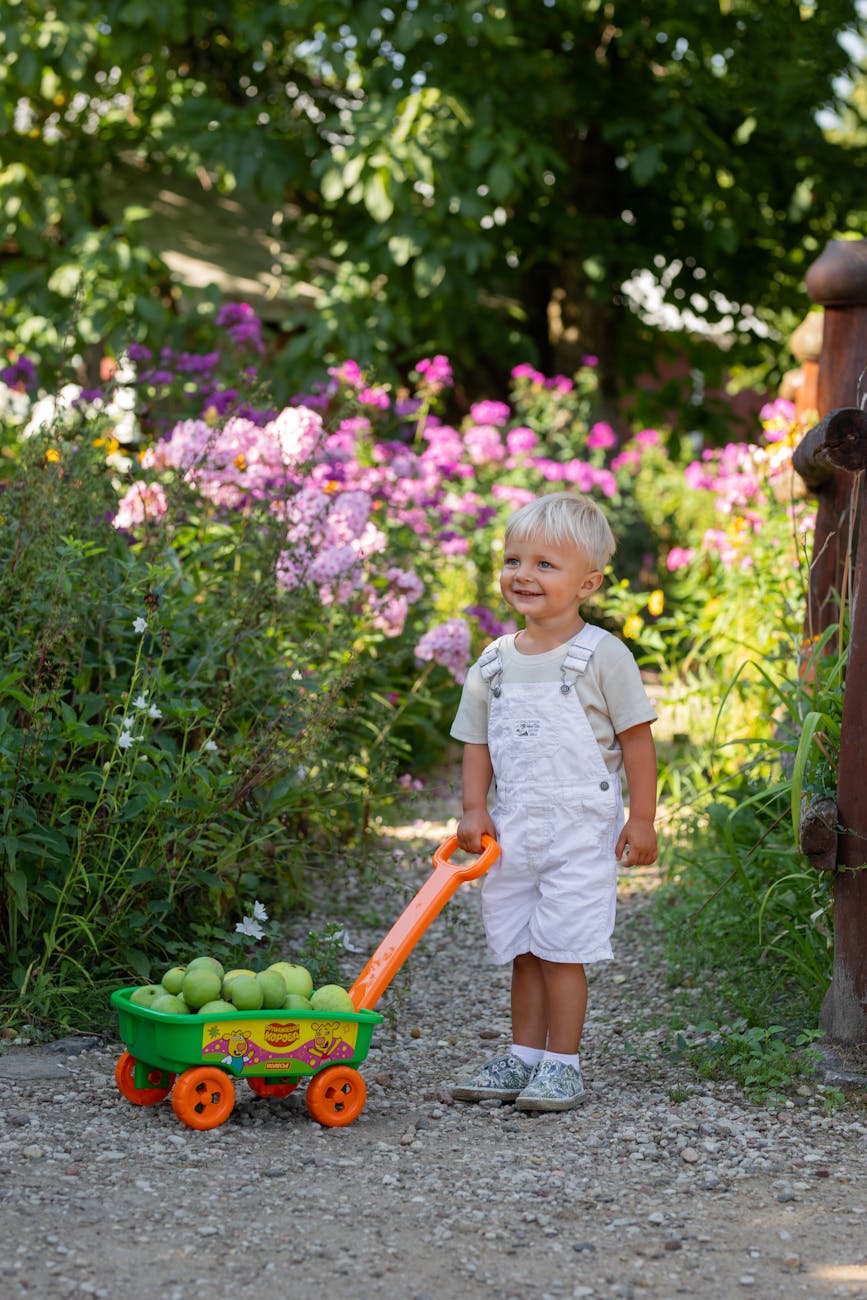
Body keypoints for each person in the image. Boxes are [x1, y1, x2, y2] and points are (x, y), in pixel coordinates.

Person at [449, 490, 658, 1112]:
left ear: (587, 582)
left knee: (562, 948)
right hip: (515, 827)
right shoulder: (493, 662)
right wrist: (473, 806)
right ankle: (523, 1056)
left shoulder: (603, 655)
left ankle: (563, 1063)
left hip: (579, 830)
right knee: (521, 945)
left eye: (545, 564)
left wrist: (642, 818)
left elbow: (638, 741)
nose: (524, 574)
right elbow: (476, 741)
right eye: (515, 560)